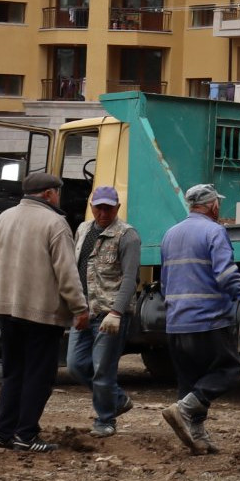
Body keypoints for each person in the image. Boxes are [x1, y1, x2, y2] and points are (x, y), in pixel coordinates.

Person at [0, 171, 90, 453]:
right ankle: (26, 435)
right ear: (48, 194)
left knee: (13, 373)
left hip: (6, 311)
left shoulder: (2, 219)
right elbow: (66, 272)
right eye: (58, 192)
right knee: (38, 376)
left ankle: (2, 432)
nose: (59, 196)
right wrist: (80, 308)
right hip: (42, 314)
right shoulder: (55, 223)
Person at [158, 183, 240, 455]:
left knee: (191, 381)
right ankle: (184, 410)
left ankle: (197, 435)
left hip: (177, 324)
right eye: (218, 204)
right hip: (209, 321)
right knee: (228, 370)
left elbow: (164, 284)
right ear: (213, 206)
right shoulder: (215, 231)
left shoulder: (170, 234)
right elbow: (226, 275)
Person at [66, 185, 140, 437]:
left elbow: (130, 278)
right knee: (76, 364)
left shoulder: (127, 235)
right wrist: (76, 307)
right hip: (86, 312)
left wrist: (117, 312)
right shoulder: (83, 230)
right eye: (99, 207)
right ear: (91, 207)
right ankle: (117, 399)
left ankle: (105, 420)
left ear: (117, 207)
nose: (104, 212)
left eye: (109, 207)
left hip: (110, 315)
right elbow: (76, 271)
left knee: (103, 369)